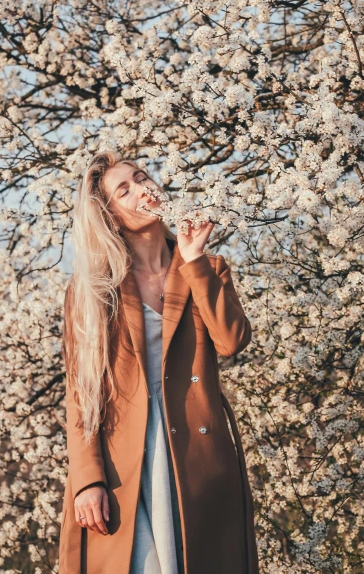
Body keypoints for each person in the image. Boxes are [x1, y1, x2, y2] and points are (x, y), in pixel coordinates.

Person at [58, 151, 259, 574]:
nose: (141, 189)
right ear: (110, 217)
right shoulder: (94, 289)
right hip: (123, 457)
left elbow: (231, 341)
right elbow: (81, 394)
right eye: (123, 190)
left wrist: (193, 261)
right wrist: (87, 480)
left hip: (195, 451)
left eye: (142, 176)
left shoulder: (208, 266)